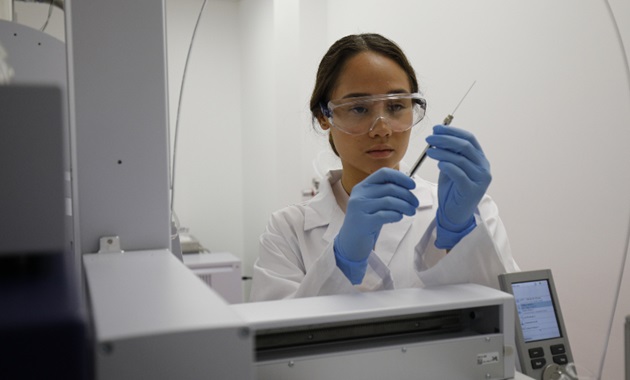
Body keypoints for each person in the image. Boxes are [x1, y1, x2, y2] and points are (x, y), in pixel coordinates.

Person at [250, 33, 519, 301]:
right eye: (358, 108)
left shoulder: (473, 210)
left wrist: (459, 236)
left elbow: (514, 323)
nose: (382, 129)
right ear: (323, 116)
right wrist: (343, 261)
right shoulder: (287, 231)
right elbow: (276, 340)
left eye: (396, 106)